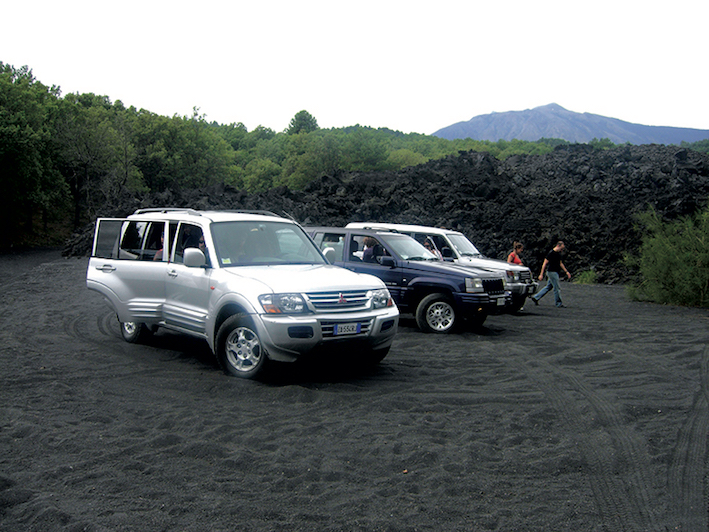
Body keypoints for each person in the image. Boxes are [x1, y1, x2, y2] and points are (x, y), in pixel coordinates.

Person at [530, 241, 571, 307]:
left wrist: (566, 271)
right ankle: (558, 303)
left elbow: (560, 263)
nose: (562, 250)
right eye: (561, 248)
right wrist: (541, 274)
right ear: (558, 246)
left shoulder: (558, 254)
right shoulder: (551, 253)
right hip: (552, 272)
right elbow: (544, 263)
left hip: (555, 272)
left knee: (549, 286)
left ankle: (536, 297)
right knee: (556, 288)